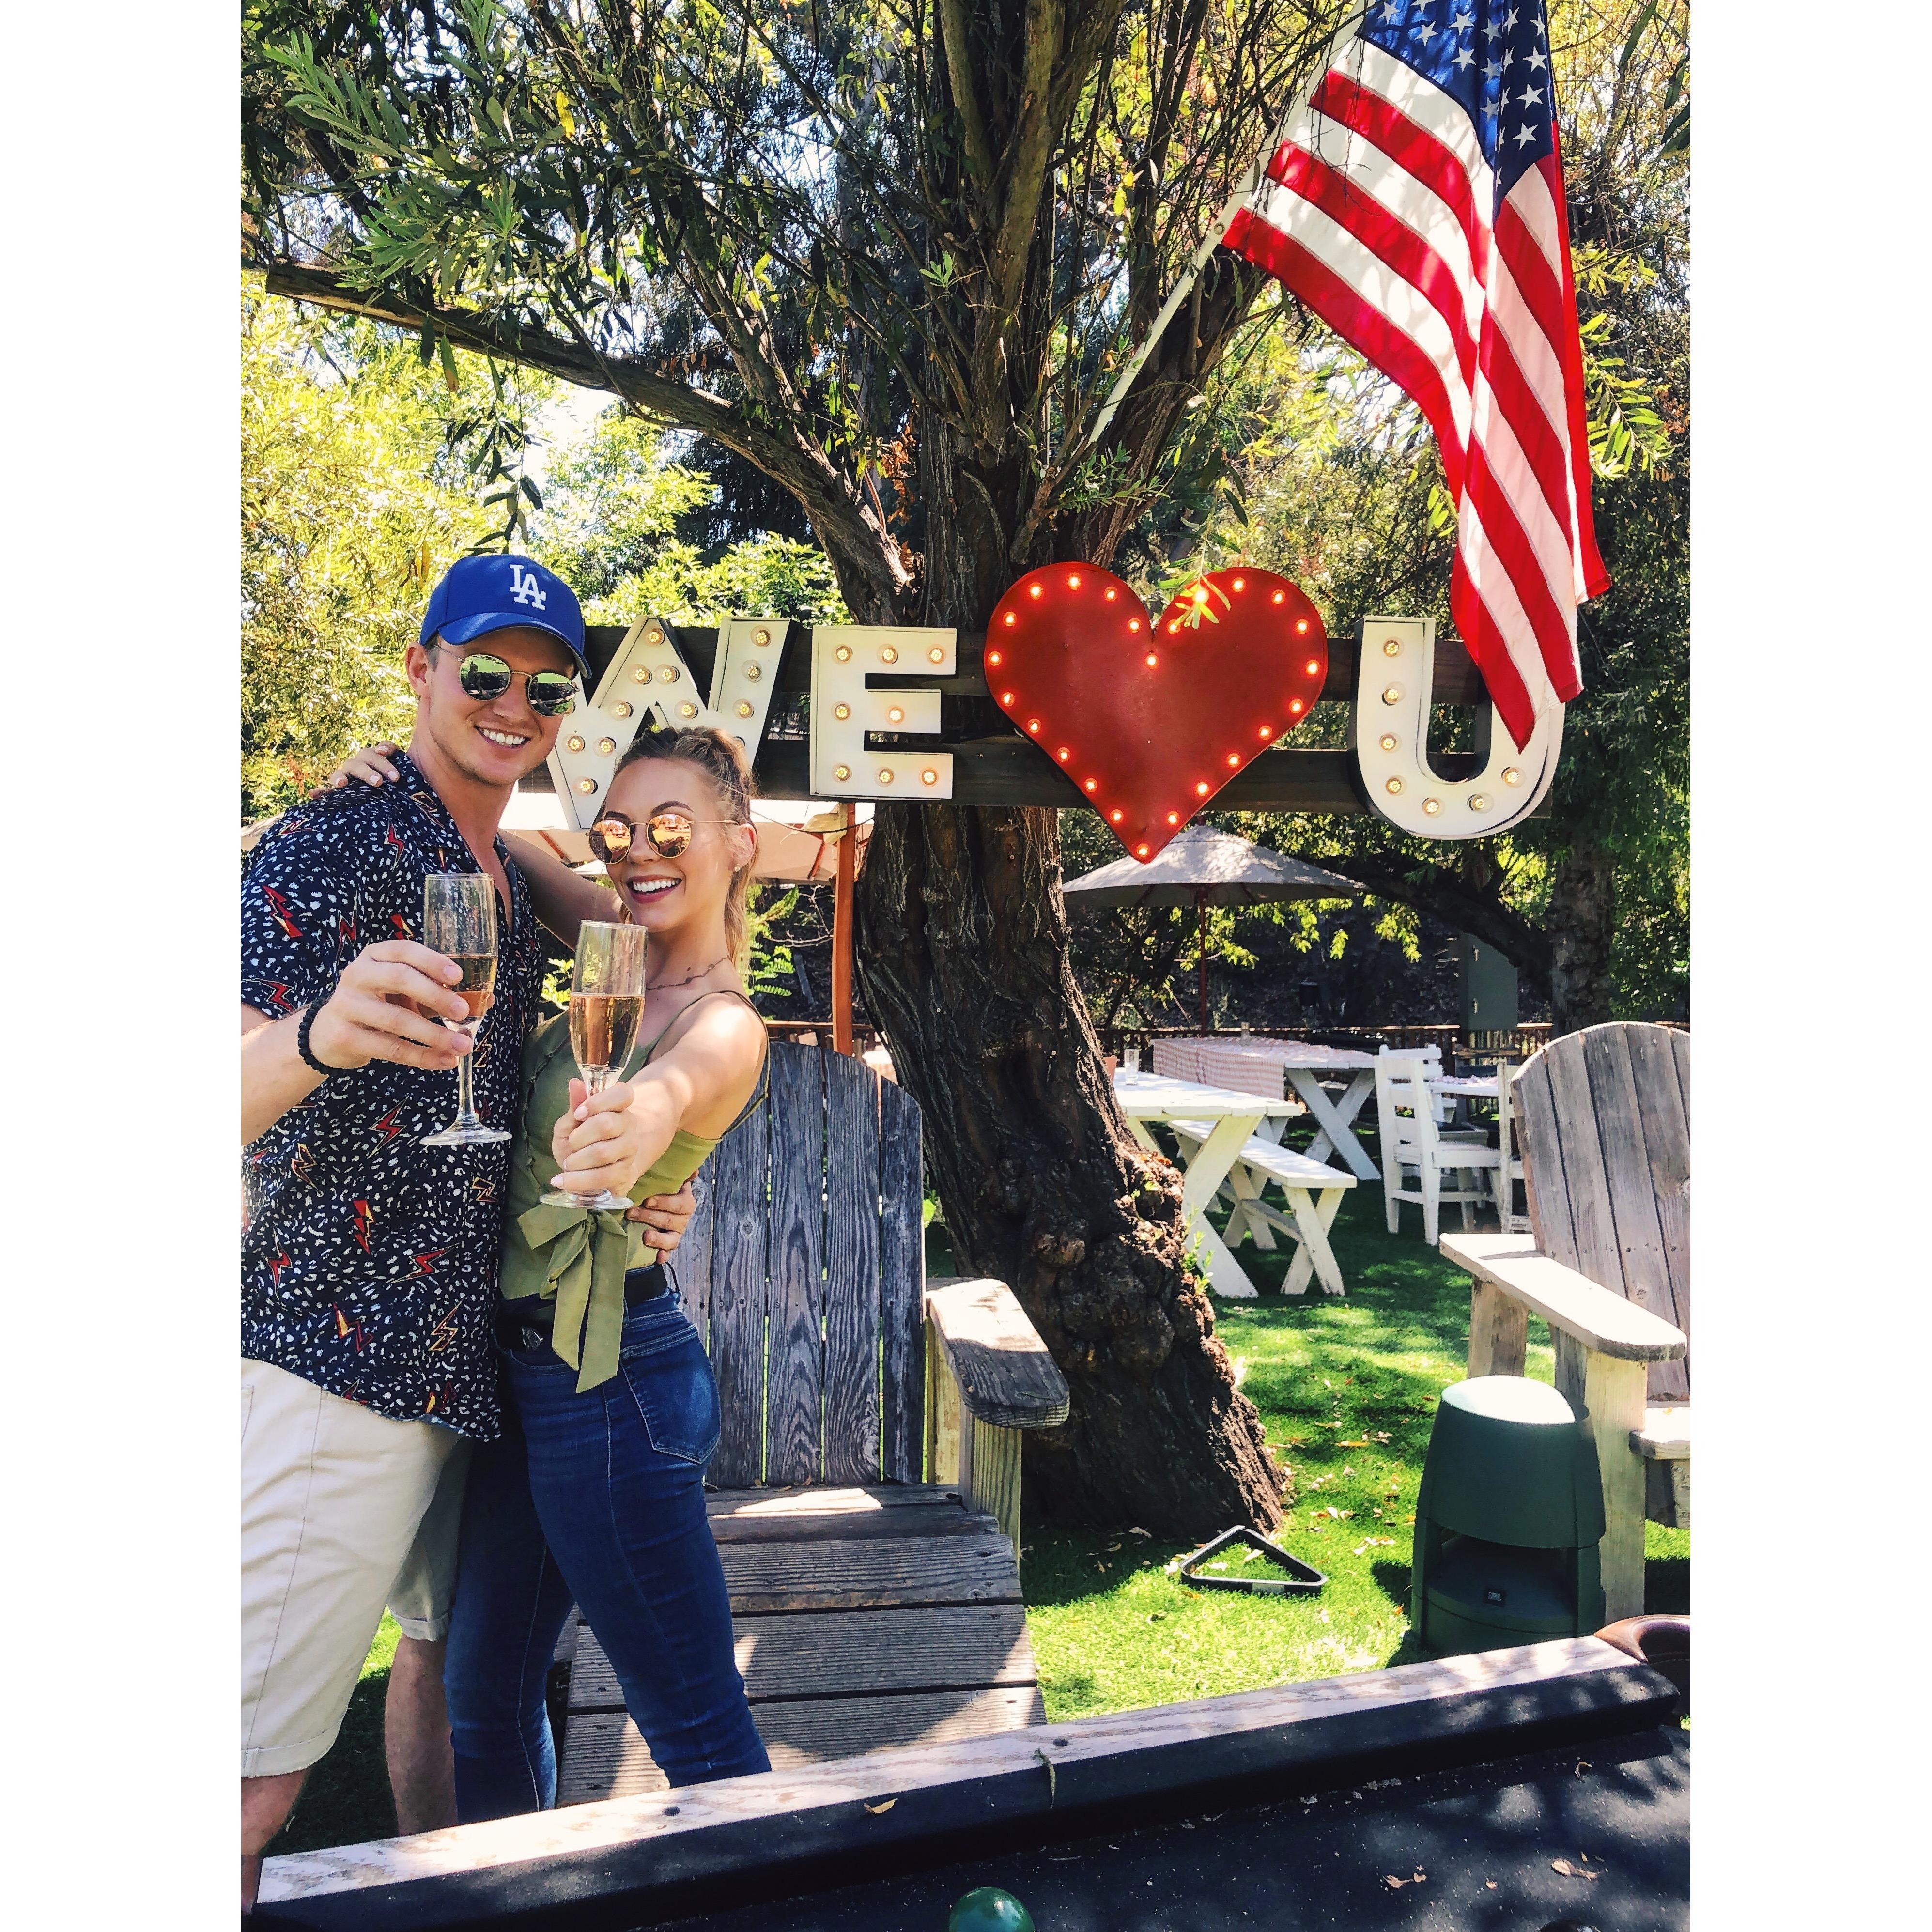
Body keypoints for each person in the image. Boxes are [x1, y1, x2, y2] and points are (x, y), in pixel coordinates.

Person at [239, 555, 695, 1915]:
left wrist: (645, 1180)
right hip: (337, 1354)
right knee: (246, 1773)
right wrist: (316, 1036)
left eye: (543, 684)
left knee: (446, 1682)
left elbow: (645, 945)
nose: (511, 702)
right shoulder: (330, 842)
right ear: (420, 664)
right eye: (481, 671)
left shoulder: (495, 863)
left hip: (465, 1355)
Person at [329, 725, 776, 1819]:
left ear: (740, 845)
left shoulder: (725, 1023)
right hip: (524, 1381)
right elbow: (506, 847)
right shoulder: (608, 949)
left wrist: (636, 1129)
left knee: (693, 1720)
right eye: (617, 831)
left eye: (671, 827)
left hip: (617, 1388)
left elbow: (677, 1089)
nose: (637, 852)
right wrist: (402, 769)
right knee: (485, 1691)